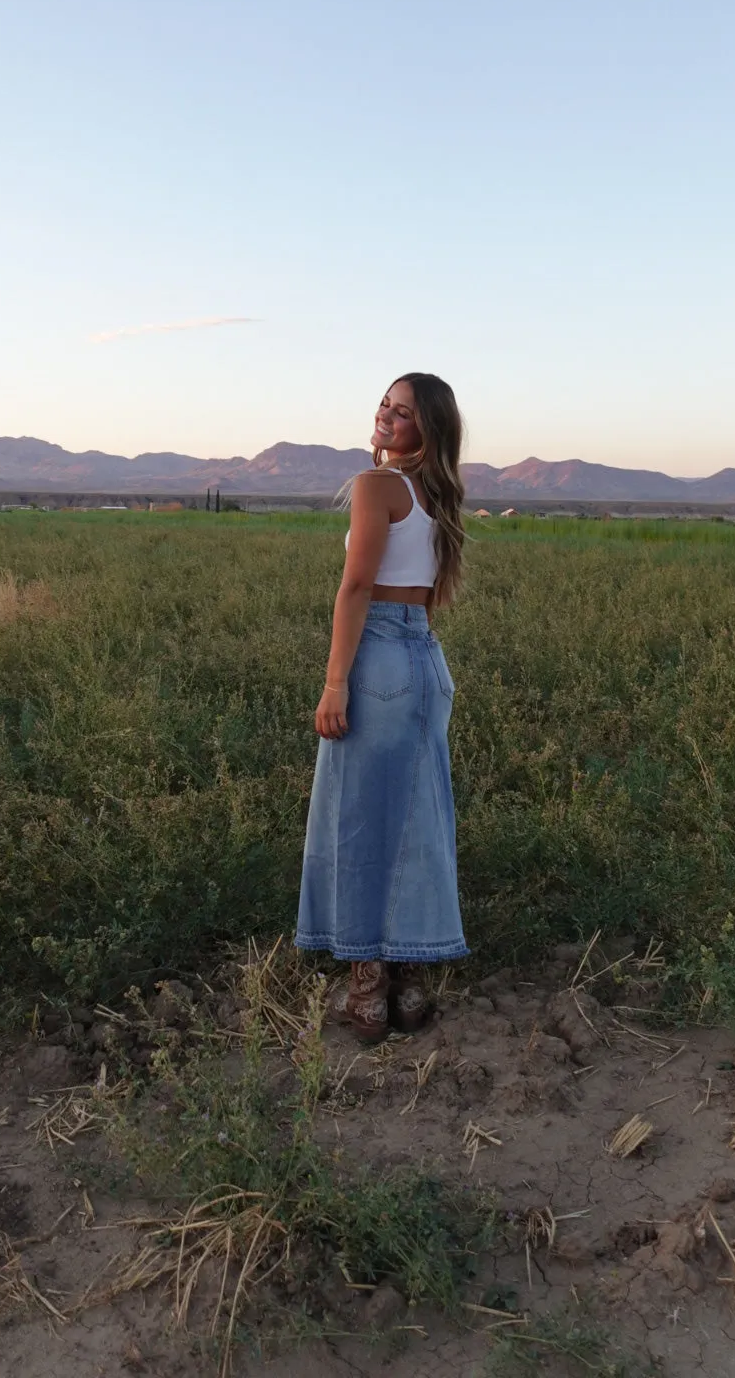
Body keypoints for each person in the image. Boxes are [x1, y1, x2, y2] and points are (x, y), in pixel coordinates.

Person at [295, 373, 468, 1042]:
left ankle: (366, 981)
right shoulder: (440, 493)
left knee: (360, 815)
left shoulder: (375, 487)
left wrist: (336, 681)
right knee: (418, 815)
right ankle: (410, 974)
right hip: (426, 658)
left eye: (402, 412)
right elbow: (426, 596)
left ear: (426, 427)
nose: (386, 417)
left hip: (380, 657)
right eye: (385, 405)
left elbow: (357, 586)